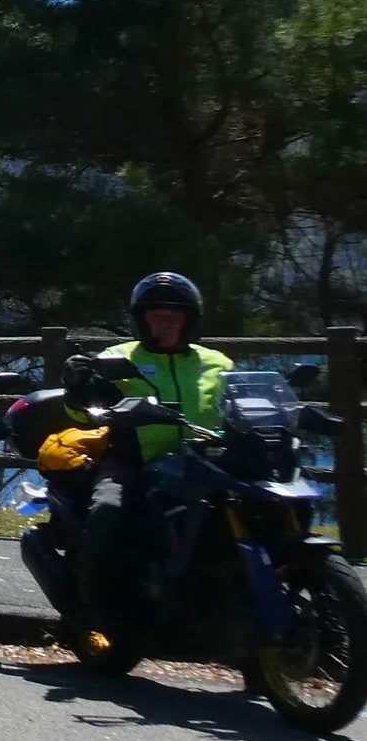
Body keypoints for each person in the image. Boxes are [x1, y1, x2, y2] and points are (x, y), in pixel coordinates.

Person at [75, 271, 234, 644]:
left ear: (190, 319)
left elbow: (241, 405)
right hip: (134, 460)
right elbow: (84, 414)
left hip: (206, 461)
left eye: (175, 314)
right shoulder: (116, 358)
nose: (166, 321)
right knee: (107, 509)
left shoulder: (218, 363)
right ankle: (98, 608)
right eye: (157, 314)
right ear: (141, 318)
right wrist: (79, 386)